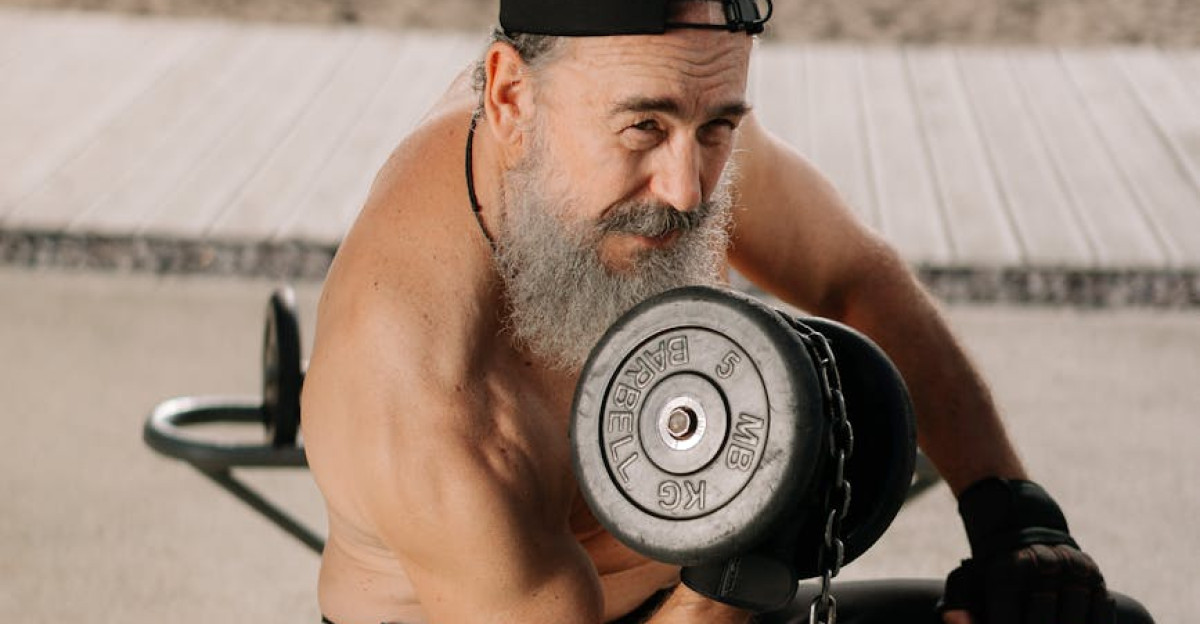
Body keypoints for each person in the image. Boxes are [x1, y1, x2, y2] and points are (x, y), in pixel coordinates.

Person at [301, 1, 1153, 622]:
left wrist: (1008, 511)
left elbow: (853, 275)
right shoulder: (424, 395)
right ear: (511, 99)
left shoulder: (671, 116)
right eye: (643, 128)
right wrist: (743, 568)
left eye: (718, 128)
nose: (688, 190)